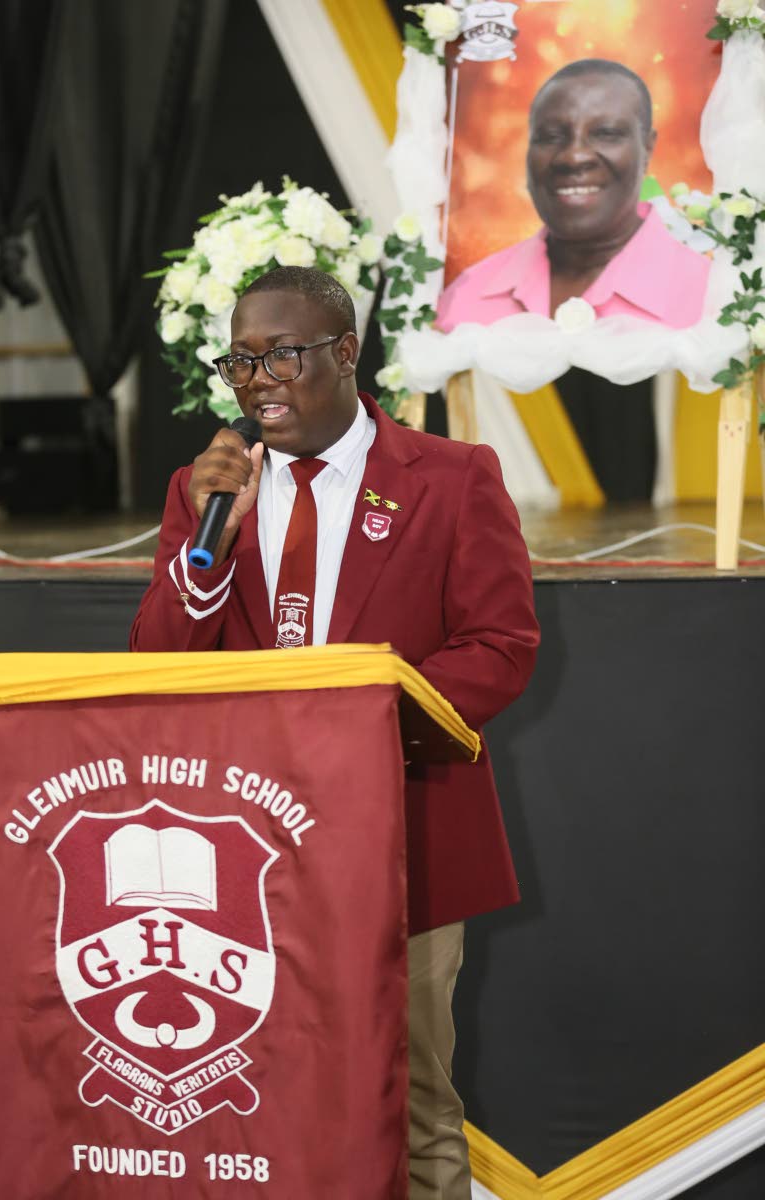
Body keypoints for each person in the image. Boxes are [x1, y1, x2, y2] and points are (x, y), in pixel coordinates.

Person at [131, 266, 539, 1199]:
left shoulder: (450, 477)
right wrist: (206, 550)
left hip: (404, 834)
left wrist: (358, 733)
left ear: (347, 352)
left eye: (282, 355)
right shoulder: (206, 489)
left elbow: (501, 645)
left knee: (414, 1094)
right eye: (242, 361)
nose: (259, 380)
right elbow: (159, 655)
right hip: (243, 844)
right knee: (261, 1088)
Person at [436, 58, 711, 330]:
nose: (573, 156)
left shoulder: (713, 299)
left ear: (648, 149)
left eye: (606, 133)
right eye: (551, 136)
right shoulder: (466, 298)